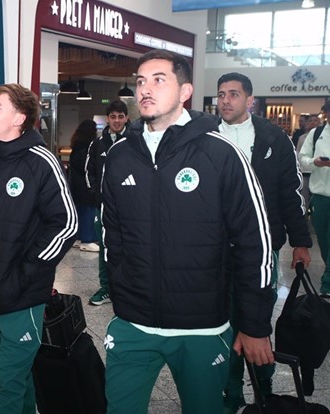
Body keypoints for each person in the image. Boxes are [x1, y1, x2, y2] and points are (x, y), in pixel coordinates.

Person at [101, 50, 275, 414]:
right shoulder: (119, 156)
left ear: (185, 91)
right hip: (133, 323)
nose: (145, 89)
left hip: (201, 327)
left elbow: (254, 242)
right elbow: (111, 235)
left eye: (159, 80)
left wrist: (255, 324)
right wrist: (120, 289)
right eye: (141, 81)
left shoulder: (221, 153)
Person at [0, 83, 77, 414]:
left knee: (8, 382)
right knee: (13, 375)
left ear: (20, 117)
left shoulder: (41, 162)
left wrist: (27, 271)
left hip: (23, 295)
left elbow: (66, 224)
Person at [216, 72, 312, 413]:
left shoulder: (273, 138)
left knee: (256, 317)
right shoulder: (206, 137)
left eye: (233, 94)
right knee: (223, 323)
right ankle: (230, 392)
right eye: (221, 94)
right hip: (216, 248)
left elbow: (291, 194)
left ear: (249, 100)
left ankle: (264, 389)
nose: (225, 100)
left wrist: (301, 242)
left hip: (261, 249)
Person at [85, 100, 128, 305]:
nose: (117, 121)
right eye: (113, 117)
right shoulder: (97, 144)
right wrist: (97, 195)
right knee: (105, 247)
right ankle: (106, 288)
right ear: (108, 118)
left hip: (129, 208)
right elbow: (89, 172)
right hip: (103, 207)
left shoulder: (135, 142)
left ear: (126, 118)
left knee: (130, 247)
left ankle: (128, 289)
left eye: (120, 116)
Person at [299, 101, 330, 297]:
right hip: (320, 197)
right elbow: (302, 159)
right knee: (324, 241)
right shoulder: (316, 134)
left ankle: (327, 283)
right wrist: (315, 162)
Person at [69, 119, 99, 252]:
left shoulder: (76, 145)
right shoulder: (88, 147)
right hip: (85, 186)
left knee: (80, 212)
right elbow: (87, 167)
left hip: (75, 186)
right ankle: (87, 239)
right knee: (88, 211)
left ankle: (78, 238)